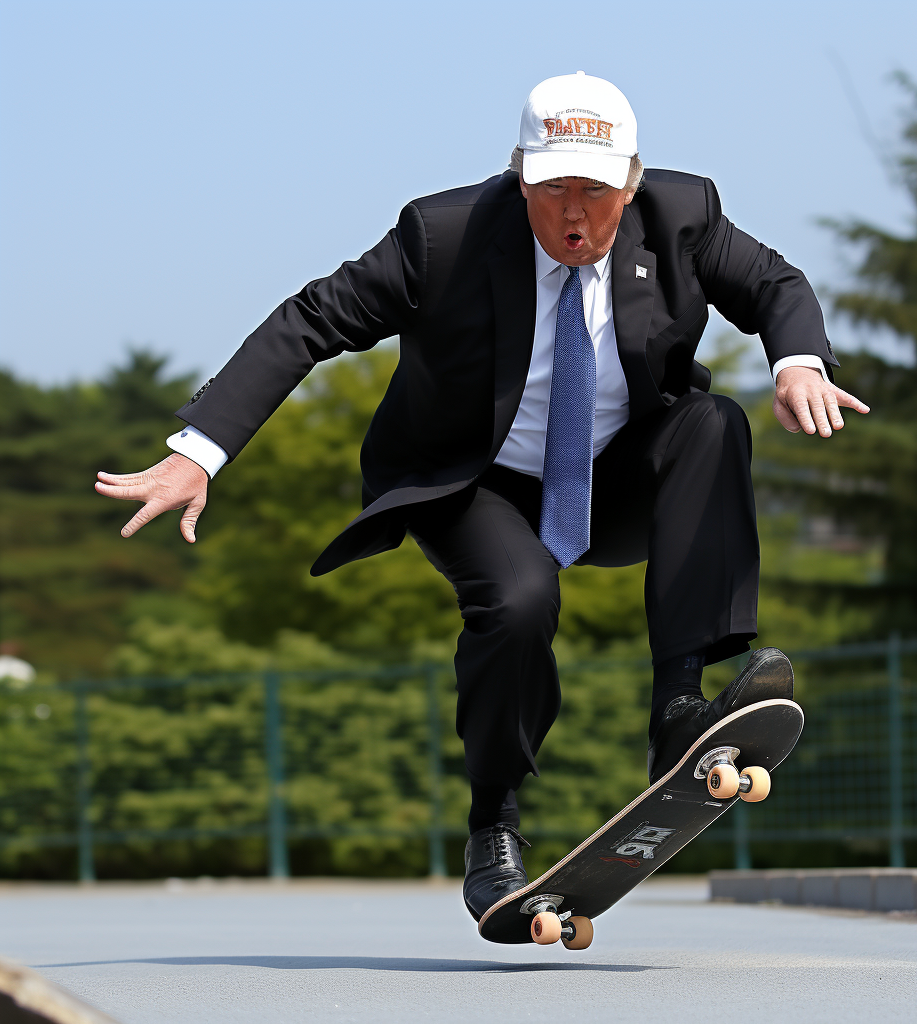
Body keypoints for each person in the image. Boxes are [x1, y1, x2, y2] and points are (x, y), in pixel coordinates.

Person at [95, 73, 869, 920]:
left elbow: (775, 286)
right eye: (551, 190)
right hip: (472, 481)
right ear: (520, 176)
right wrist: (200, 452)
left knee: (715, 423)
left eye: (595, 192)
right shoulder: (444, 235)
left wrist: (798, 360)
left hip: (614, 477)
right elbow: (309, 320)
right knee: (519, 597)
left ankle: (679, 707)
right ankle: (493, 824)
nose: (573, 215)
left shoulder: (685, 216)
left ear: (633, 183)